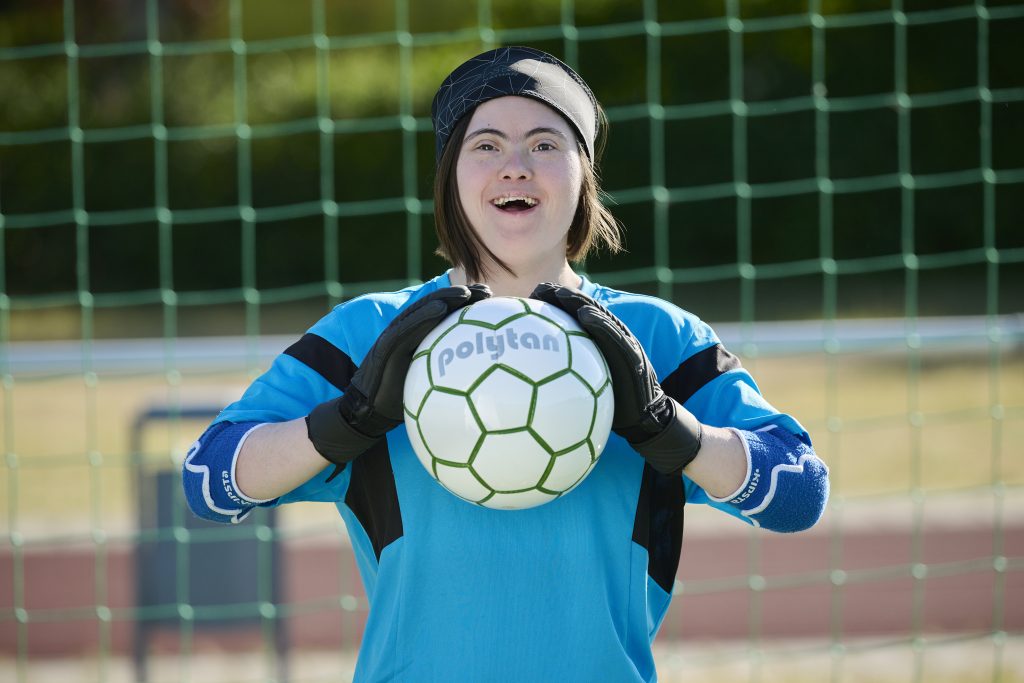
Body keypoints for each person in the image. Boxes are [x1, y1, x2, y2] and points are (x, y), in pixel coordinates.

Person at [182, 46, 829, 682]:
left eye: (546, 144)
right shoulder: (372, 335)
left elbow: (799, 493)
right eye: (485, 145)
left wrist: (672, 431)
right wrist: (345, 420)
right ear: (450, 175)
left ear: (584, 174)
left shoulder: (656, 337)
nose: (515, 166)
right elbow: (208, 481)